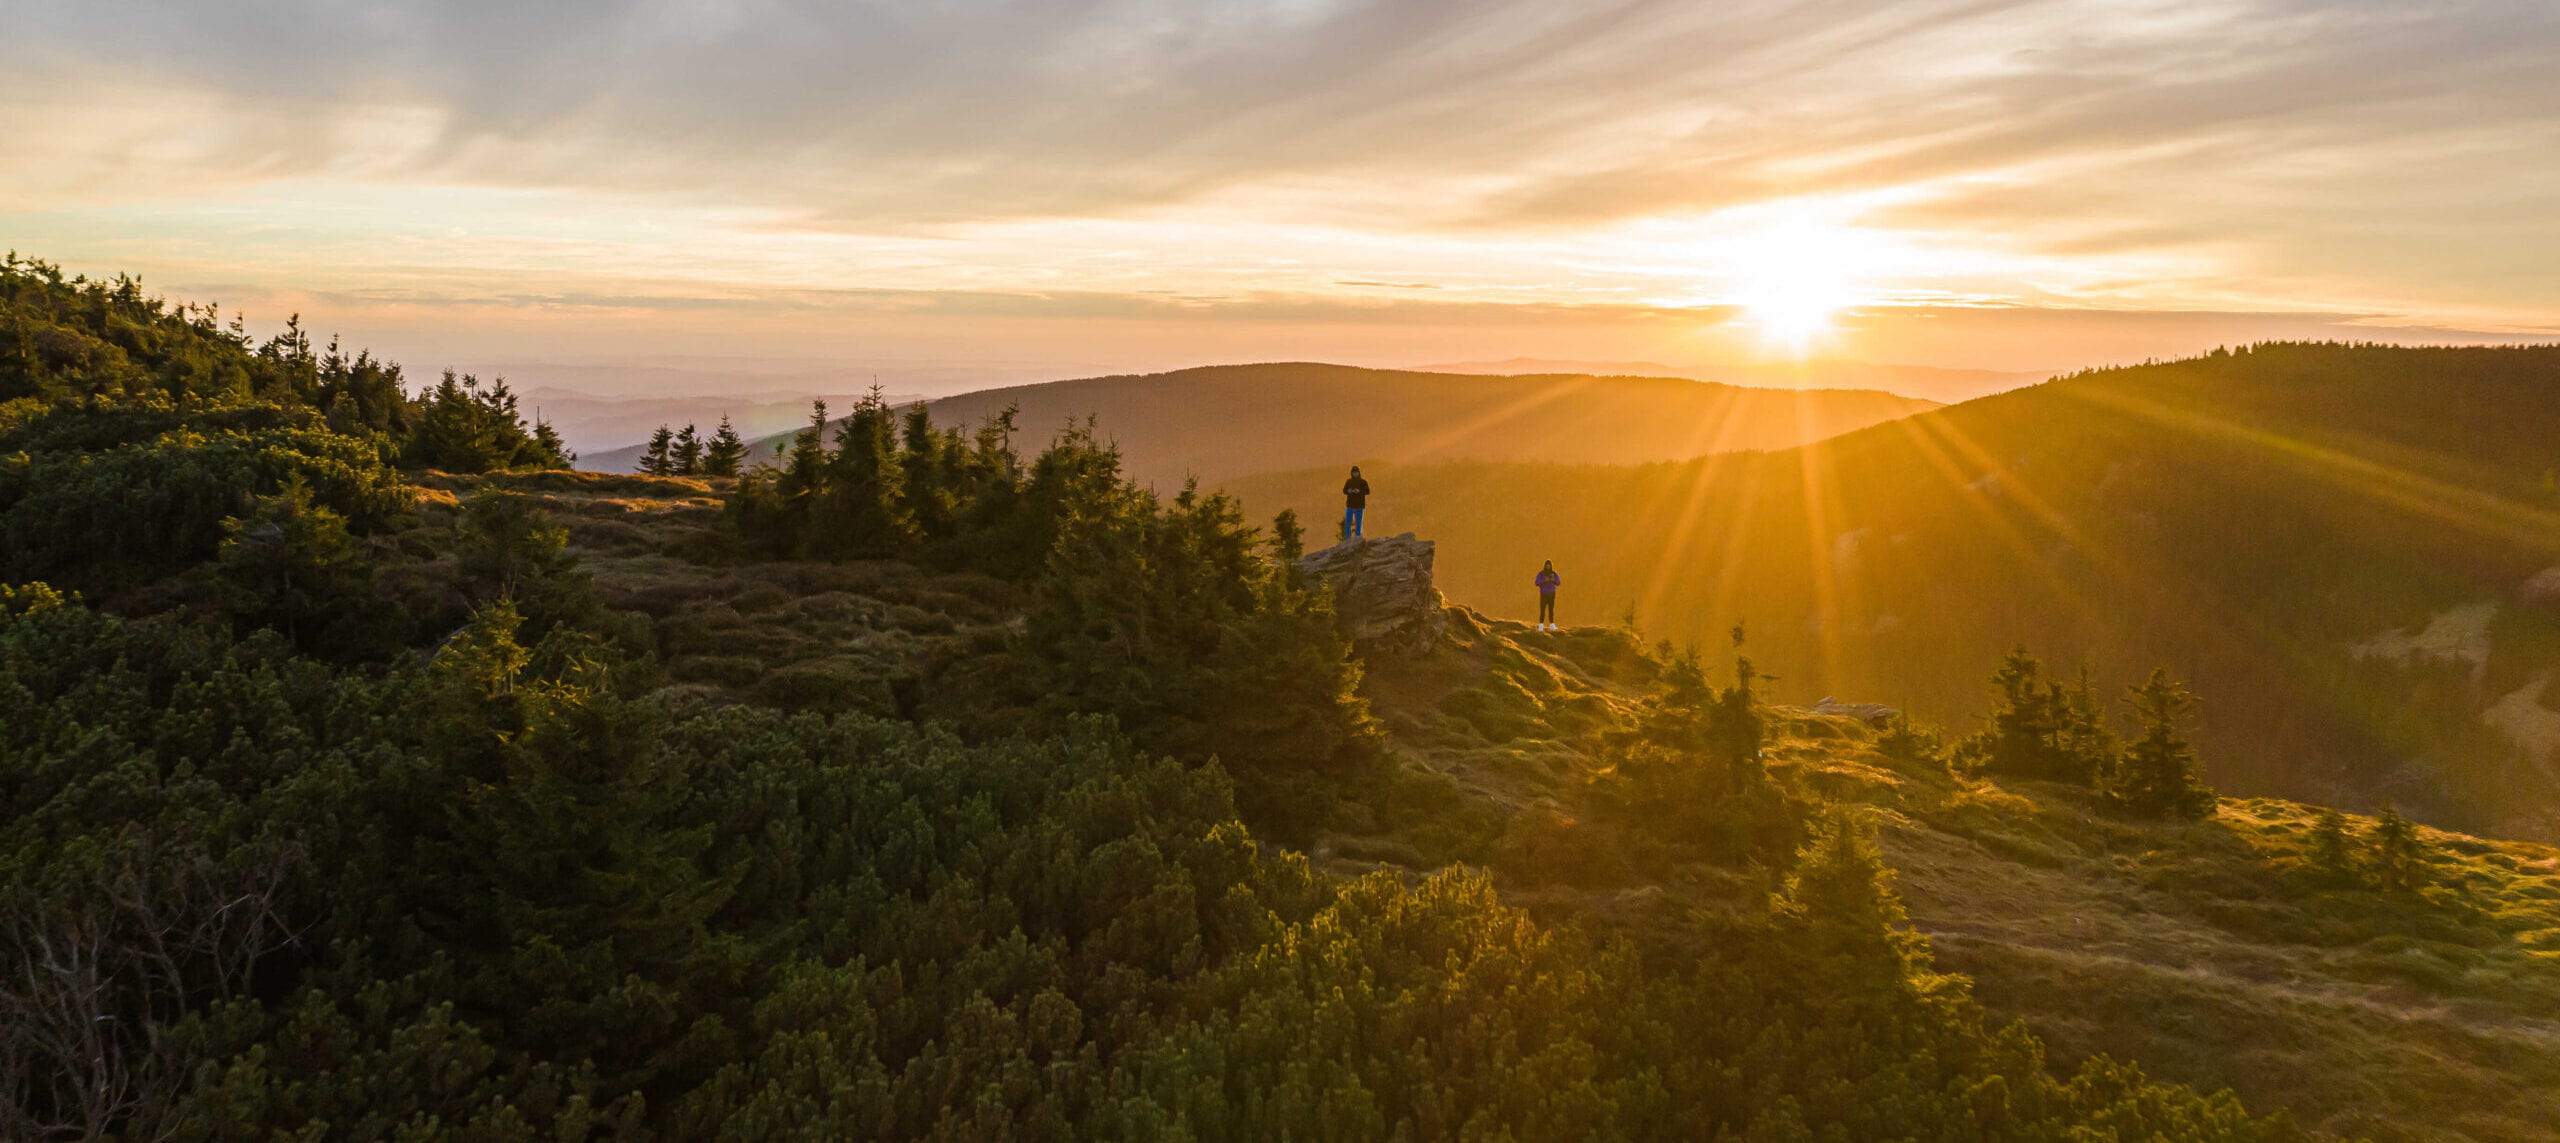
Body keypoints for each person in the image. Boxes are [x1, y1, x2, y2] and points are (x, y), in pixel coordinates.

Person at [1341, 465, 1370, 539]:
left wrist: (1359, 491)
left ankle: (1357, 537)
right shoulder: (1348, 481)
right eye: (1354, 472)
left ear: (1359, 472)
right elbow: (1344, 490)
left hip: (1359, 505)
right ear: (1351, 473)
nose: (1355, 474)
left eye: (1356, 472)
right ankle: (1348, 537)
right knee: (1348, 522)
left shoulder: (1363, 482)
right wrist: (1348, 491)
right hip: (1350, 505)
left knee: (1359, 523)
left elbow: (1368, 491)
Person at [1535, 560, 1560, 631]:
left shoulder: (1554, 573)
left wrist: (1553, 580)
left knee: (1551, 609)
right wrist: (1544, 580)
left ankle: (1552, 624)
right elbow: (1536, 583)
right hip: (1543, 593)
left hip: (1552, 593)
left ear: (1551, 566)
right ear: (1545, 566)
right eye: (1547, 565)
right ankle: (1541, 625)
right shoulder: (1541, 574)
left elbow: (1558, 582)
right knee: (1542, 609)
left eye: (1549, 565)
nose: (1548, 567)